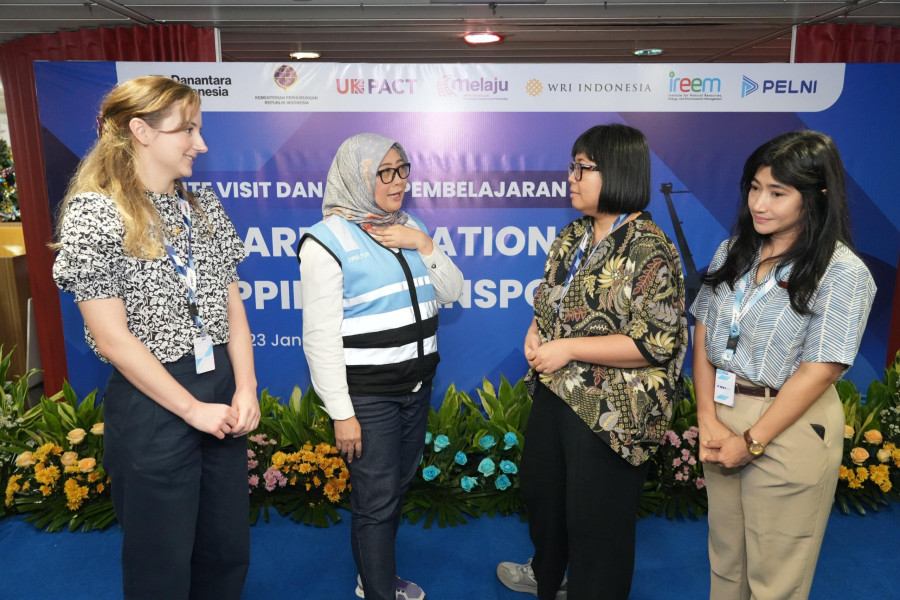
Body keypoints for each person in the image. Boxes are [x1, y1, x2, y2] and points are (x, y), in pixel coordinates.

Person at [52, 76, 258, 600]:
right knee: (160, 560)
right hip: (154, 402)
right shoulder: (95, 214)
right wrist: (191, 410)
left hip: (221, 392)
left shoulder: (204, 207)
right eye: (187, 129)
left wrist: (247, 389)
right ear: (140, 131)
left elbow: (231, 305)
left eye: (199, 129)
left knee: (226, 547)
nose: (201, 143)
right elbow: (114, 340)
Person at [497, 124, 688, 600]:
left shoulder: (648, 246)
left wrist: (569, 348)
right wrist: (536, 332)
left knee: (596, 520)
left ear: (619, 170)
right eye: (572, 165)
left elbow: (655, 342)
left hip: (612, 410)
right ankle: (551, 574)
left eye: (584, 167)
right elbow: (548, 302)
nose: (572, 176)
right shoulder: (573, 235)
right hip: (556, 391)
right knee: (543, 494)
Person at [691, 130, 876, 600]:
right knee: (726, 563)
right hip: (723, 414)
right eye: (755, 187)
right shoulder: (735, 249)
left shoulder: (843, 271)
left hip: (787, 426)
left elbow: (823, 369)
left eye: (777, 192)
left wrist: (752, 441)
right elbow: (705, 332)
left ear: (817, 196)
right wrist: (707, 417)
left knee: (776, 580)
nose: (760, 203)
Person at [297, 133, 463, 600]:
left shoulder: (408, 227)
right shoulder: (325, 241)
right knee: (376, 500)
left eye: (402, 169)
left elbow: (453, 292)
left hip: (416, 387)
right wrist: (342, 413)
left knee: (395, 488)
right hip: (368, 397)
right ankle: (378, 590)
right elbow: (320, 337)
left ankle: (375, 577)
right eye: (383, 172)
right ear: (357, 176)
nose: (398, 181)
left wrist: (424, 244)